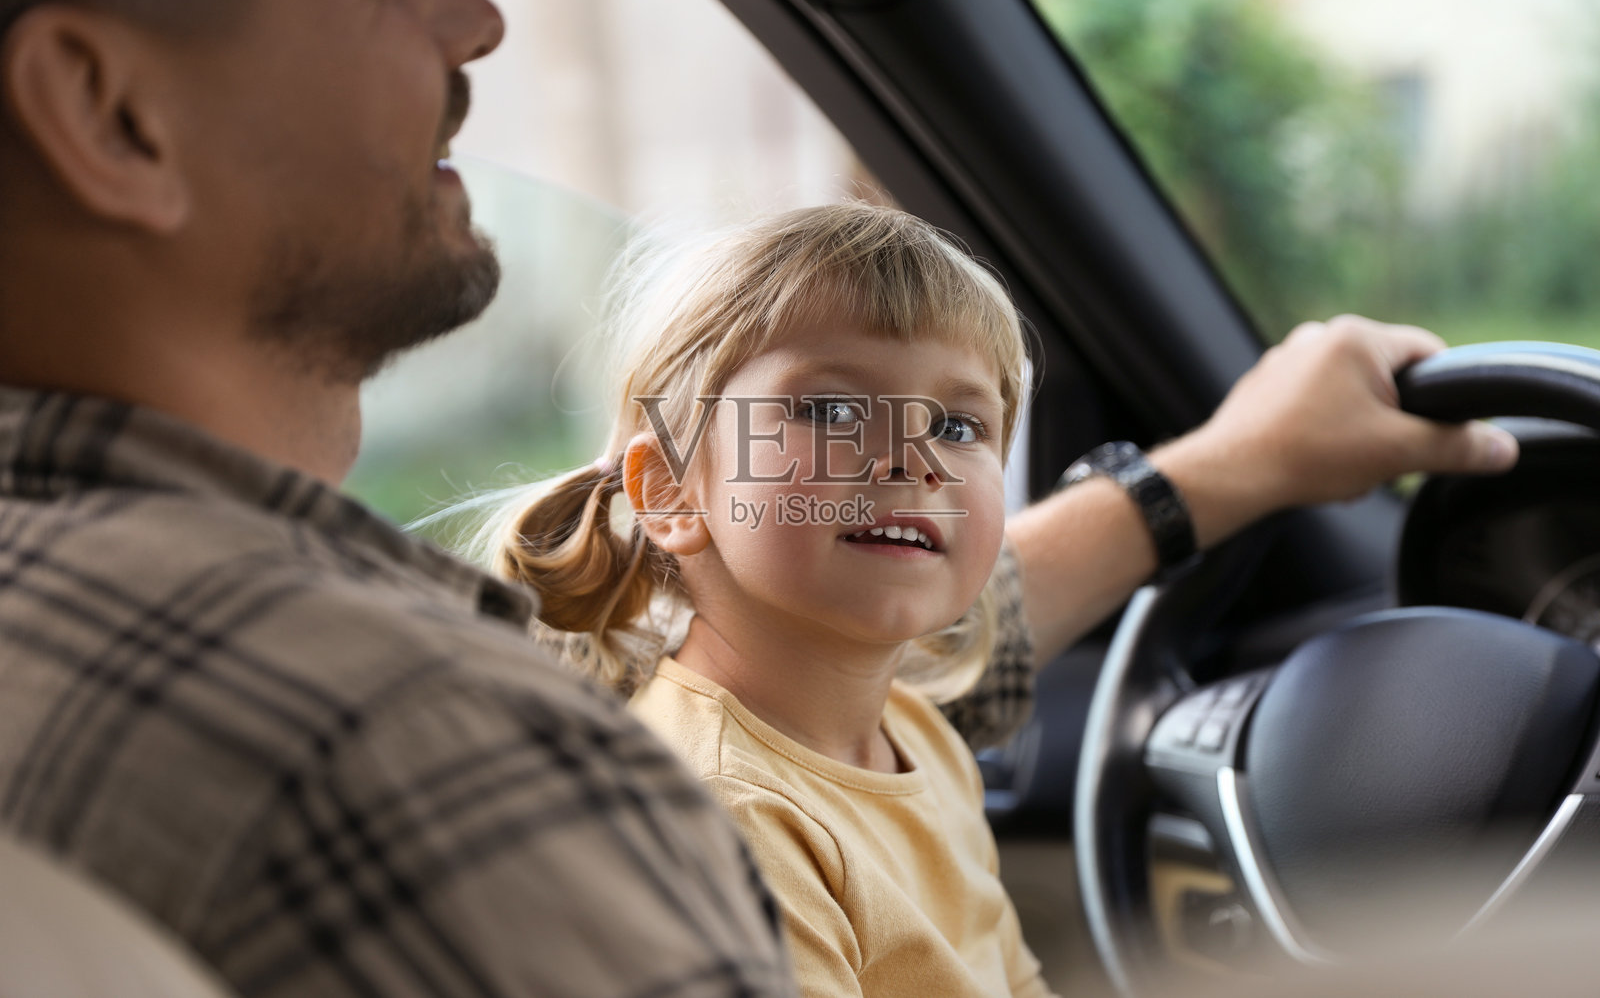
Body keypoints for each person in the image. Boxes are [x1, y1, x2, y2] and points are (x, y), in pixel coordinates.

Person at [0, 0, 1515, 996]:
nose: (478, 15)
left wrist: (1222, 469)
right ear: (110, 108)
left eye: (963, 427)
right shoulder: (457, 752)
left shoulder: (59, 588)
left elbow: (932, 643)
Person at [481, 202, 1517, 997]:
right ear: (668, 489)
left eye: (963, 425)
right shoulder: (721, 816)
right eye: (834, 405)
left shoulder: (912, 728)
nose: (914, 458)